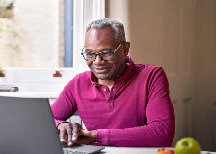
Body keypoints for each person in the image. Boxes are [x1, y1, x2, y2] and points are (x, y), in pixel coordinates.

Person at [51, 18, 175, 147]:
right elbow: (44, 120)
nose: (97, 61)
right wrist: (61, 125)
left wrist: (96, 136)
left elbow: (162, 134)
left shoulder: (152, 76)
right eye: (89, 54)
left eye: (106, 53)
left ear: (125, 49)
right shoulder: (78, 83)